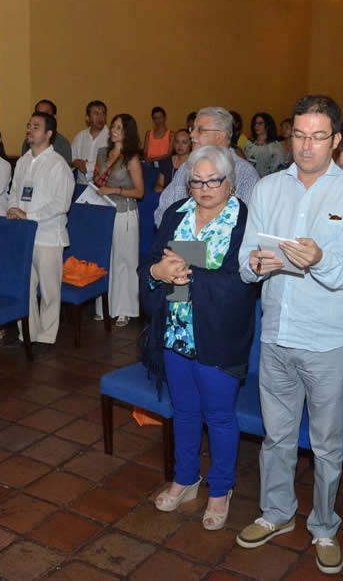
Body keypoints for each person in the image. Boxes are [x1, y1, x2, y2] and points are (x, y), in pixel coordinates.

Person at [237, 95, 343, 575]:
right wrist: (255, 265)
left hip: (328, 341)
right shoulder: (268, 189)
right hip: (275, 334)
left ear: (336, 141)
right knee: (275, 437)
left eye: (318, 136)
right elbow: (245, 260)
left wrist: (317, 259)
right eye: (298, 135)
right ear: (288, 137)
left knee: (325, 444)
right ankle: (276, 513)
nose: (307, 145)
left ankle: (324, 526)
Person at [141, 145, 258, 531]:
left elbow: (238, 282)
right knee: (185, 411)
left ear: (231, 182)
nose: (205, 188)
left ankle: (221, 488)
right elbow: (153, 260)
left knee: (220, 416)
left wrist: (185, 272)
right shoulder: (177, 214)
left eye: (214, 181)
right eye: (197, 181)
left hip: (218, 334)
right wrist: (159, 271)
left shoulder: (245, 220)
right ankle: (186, 477)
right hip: (175, 330)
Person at [7, 111, 75, 349]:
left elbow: (61, 204)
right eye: (28, 125)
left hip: (48, 236)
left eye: (36, 126)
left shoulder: (58, 165)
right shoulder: (24, 161)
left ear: (48, 134)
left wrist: (30, 216)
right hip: (24, 234)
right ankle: (27, 333)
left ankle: (46, 337)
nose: (29, 130)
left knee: (49, 290)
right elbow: (14, 190)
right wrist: (12, 210)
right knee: (24, 287)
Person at [154, 107, 259, 226]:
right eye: (192, 129)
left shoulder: (245, 173)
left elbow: (246, 224)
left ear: (220, 135)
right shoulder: (185, 167)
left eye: (200, 130)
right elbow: (161, 213)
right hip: (180, 242)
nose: (192, 134)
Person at [93, 114, 144, 327]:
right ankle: (105, 306)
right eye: (113, 126)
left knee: (125, 260)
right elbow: (96, 179)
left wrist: (113, 189)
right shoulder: (102, 153)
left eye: (119, 128)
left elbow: (139, 192)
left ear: (127, 133)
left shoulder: (131, 158)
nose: (114, 131)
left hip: (125, 212)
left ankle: (125, 309)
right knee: (106, 259)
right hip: (104, 211)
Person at [22, 99, 73, 165]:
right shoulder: (28, 141)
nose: (40, 117)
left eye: (45, 114)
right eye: (38, 113)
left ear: (54, 117)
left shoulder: (62, 144)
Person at [71, 100, 109, 185]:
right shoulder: (80, 136)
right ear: (87, 118)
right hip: (81, 184)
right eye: (96, 113)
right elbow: (72, 158)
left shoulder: (111, 137)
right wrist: (78, 163)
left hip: (103, 187)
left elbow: (108, 163)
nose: (100, 117)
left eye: (103, 113)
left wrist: (86, 166)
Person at [243, 113, 285, 178]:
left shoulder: (274, 146)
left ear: (268, 125)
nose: (256, 126)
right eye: (255, 123)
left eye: (260, 123)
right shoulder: (249, 144)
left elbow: (279, 169)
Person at [155, 128, 191, 193]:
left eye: (184, 142)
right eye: (177, 142)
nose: (180, 146)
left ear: (190, 144)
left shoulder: (195, 163)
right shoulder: (166, 162)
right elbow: (159, 185)